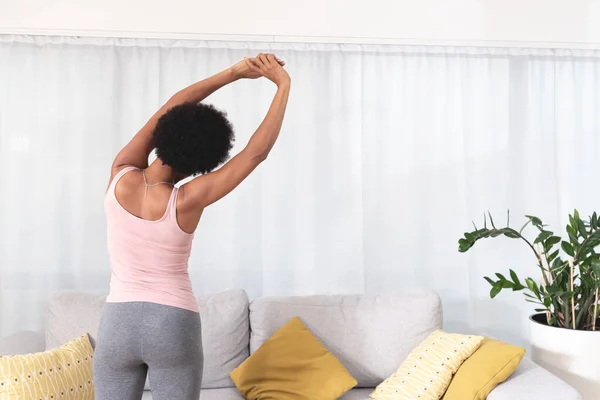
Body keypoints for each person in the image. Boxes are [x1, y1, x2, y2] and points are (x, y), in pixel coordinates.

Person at [92, 53, 291, 400]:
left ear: (163, 136)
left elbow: (173, 105)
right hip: (172, 324)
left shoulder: (121, 172)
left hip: (116, 325)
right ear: (201, 162)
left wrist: (233, 73)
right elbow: (254, 154)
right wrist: (283, 86)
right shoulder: (186, 200)